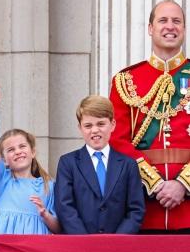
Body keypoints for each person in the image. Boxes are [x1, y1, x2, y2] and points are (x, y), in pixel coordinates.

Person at [109, 0, 190, 233]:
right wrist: (155, 184)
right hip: (143, 209)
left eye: (177, 21)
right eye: (163, 20)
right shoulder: (126, 81)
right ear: (150, 29)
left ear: (184, 29)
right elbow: (117, 140)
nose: (170, 26)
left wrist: (183, 183)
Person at [55, 95, 145, 234]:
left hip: (118, 245)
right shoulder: (68, 163)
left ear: (112, 125)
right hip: (80, 245)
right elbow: (65, 206)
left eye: (101, 124)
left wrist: (117, 241)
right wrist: (85, 241)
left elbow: (136, 209)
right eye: (88, 125)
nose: (95, 130)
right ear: (80, 128)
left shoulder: (128, 165)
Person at [0, 84, 60, 234]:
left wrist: (45, 214)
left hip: (37, 248)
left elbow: (58, 228)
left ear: (33, 151)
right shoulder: (3, 180)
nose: (18, 152)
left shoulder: (49, 185)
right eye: (11, 150)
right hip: (7, 247)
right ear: (4, 160)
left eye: (22, 146)